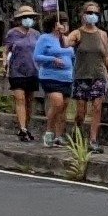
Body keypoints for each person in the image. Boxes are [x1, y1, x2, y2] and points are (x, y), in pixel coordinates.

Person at [65, 1, 108, 153]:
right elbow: (66, 43)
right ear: (83, 15)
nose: (92, 16)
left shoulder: (102, 34)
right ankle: (77, 130)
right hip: (82, 75)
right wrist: (61, 34)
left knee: (97, 107)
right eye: (89, 13)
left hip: (98, 75)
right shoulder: (78, 33)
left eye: (95, 14)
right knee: (81, 112)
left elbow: (106, 57)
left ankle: (93, 139)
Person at [33, 13, 77, 147]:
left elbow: (73, 57)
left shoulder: (67, 40)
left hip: (66, 77)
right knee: (57, 104)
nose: (64, 26)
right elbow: (37, 56)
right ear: (54, 24)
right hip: (50, 76)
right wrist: (52, 59)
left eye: (65, 23)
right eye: (61, 23)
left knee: (63, 107)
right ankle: (49, 132)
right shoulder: (44, 38)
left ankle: (59, 136)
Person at [2, 6, 42, 142]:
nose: (28, 20)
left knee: (29, 101)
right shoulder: (12, 33)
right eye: (25, 17)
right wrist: (4, 64)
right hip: (17, 71)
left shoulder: (36, 34)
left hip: (33, 70)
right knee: (20, 98)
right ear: (20, 19)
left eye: (30, 17)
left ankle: (26, 126)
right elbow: (6, 50)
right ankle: (22, 128)